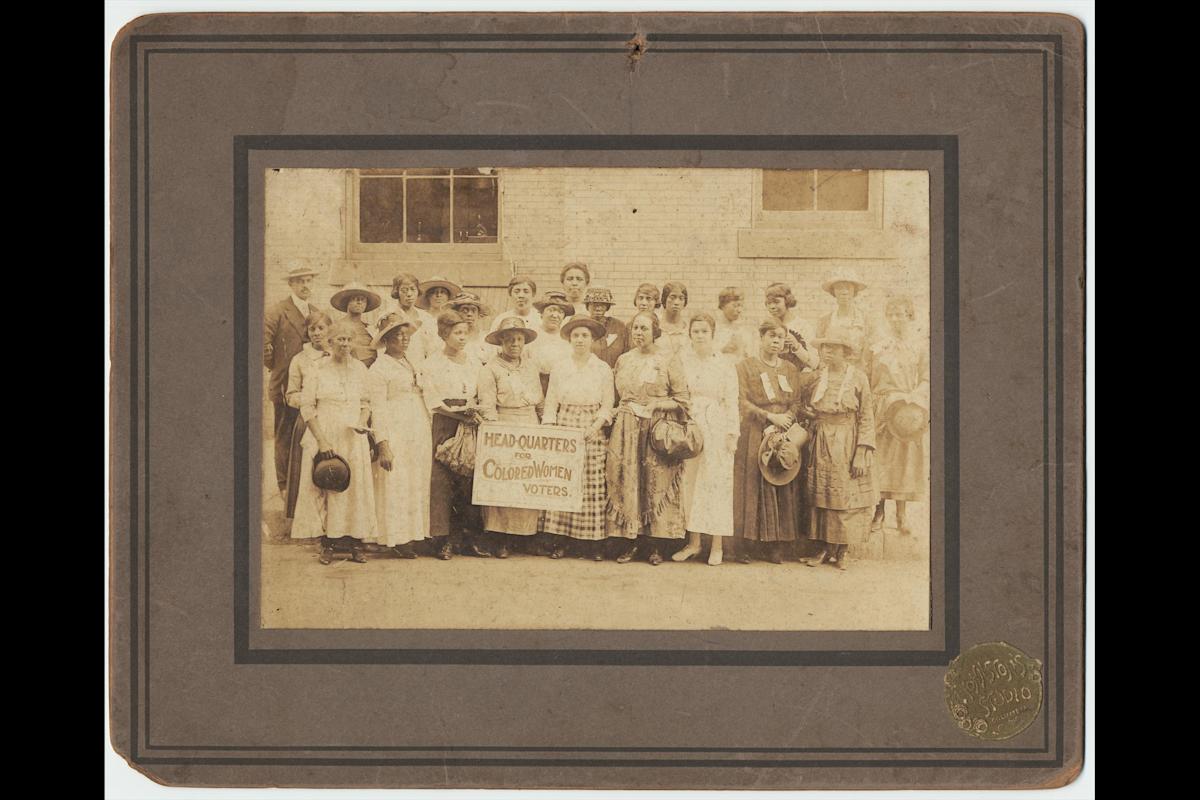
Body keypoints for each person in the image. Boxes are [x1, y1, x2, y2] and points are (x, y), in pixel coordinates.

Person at [606, 310, 691, 565]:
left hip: (657, 430)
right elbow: (614, 397)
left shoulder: (668, 360)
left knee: (655, 484)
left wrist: (656, 405)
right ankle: (631, 542)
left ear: (655, 332)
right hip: (626, 429)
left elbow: (683, 401)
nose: (638, 333)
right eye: (635, 329)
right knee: (629, 483)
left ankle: (656, 546)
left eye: (644, 329)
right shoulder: (623, 360)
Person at [291, 320, 377, 564]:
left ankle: (355, 543)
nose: (345, 345)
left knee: (355, 488)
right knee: (328, 485)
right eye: (340, 339)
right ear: (330, 342)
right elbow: (307, 408)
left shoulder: (360, 369)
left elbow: (365, 402)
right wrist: (322, 440)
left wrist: (362, 421)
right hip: (326, 432)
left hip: (353, 434)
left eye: (349, 340)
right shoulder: (317, 369)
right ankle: (327, 543)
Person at [732, 320, 815, 564]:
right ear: (761, 338)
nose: (776, 341)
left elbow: (797, 401)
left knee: (781, 482)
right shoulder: (745, 367)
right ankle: (747, 544)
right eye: (771, 336)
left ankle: (775, 546)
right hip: (756, 430)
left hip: (785, 430)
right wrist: (769, 416)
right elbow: (742, 401)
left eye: (780, 337)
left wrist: (787, 418)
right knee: (753, 485)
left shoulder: (790, 369)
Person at [540, 316, 615, 560]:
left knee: (592, 481)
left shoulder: (602, 368)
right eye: (576, 336)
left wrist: (597, 425)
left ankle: (592, 543)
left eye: (585, 336)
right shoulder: (561, 366)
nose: (580, 340)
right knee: (565, 481)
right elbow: (551, 400)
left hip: (591, 424)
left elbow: (608, 402)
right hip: (565, 422)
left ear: (593, 340)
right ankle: (561, 540)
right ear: (570, 340)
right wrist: (551, 427)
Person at [804, 333, 878, 571]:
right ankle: (823, 548)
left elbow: (866, 415)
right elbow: (804, 406)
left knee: (845, 495)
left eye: (834, 348)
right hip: (821, 437)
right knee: (822, 494)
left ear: (846, 353)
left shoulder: (858, 378)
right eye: (825, 347)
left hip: (847, 439)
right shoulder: (817, 377)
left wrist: (862, 451)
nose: (828, 352)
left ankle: (843, 550)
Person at [420, 311, 490, 560]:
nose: (462, 338)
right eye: (456, 333)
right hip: (446, 423)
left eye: (465, 333)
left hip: (470, 421)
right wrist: (459, 415)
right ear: (444, 335)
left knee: (469, 480)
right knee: (442, 481)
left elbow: (480, 391)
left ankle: (468, 539)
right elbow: (434, 401)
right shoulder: (432, 363)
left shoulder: (473, 361)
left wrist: (474, 412)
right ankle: (442, 540)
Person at [673, 313, 740, 565]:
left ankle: (717, 546)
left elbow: (731, 401)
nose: (700, 336)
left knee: (715, 485)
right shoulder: (684, 362)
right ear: (689, 335)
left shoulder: (724, 364)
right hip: (690, 426)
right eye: (695, 331)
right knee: (690, 483)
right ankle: (693, 543)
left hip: (716, 427)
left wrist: (732, 434)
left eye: (704, 331)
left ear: (712, 334)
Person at [477, 317, 545, 558]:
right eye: (509, 339)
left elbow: (539, 401)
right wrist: (496, 432)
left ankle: (525, 537)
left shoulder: (530, 366)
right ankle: (501, 538)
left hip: (529, 425)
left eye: (519, 339)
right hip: (504, 426)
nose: (515, 344)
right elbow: (487, 405)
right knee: (503, 481)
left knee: (528, 479)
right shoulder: (490, 369)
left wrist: (545, 423)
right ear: (500, 342)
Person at [367, 313, 431, 558]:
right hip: (397, 429)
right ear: (386, 340)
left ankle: (416, 534)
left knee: (416, 481)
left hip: (417, 427)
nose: (404, 340)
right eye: (398, 336)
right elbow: (378, 409)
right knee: (398, 482)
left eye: (406, 335)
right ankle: (397, 538)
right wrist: (383, 444)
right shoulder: (379, 368)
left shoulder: (409, 362)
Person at [868, 296, 929, 537]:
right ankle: (878, 512)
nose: (895, 319)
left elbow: (926, 377)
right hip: (882, 409)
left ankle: (901, 514)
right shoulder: (878, 346)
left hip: (906, 411)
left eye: (900, 314)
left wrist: (914, 399)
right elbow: (868, 376)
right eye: (891, 314)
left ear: (909, 316)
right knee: (881, 460)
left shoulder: (918, 347)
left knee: (904, 461)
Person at [264, 263, 319, 494]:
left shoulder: (314, 311)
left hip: (313, 386)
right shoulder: (277, 311)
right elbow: (264, 348)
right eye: (300, 281)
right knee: (285, 435)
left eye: (308, 281)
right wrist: (281, 370)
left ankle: (305, 486)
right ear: (291, 285)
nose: (305, 286)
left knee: (308, 434)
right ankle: (285, 487)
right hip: (287, 384)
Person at [283, 310, 331, 521]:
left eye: (321, 328)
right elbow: (291, 395)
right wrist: (309, 398)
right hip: (309, 419)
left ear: (330, 329)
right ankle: (312, 523)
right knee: (311, 474)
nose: (317, 333)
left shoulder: (337, 354)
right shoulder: (300, 359)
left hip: (335, 416)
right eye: (312, 329)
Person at [815, 270, 875, 371]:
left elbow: (871, 352)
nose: (844, 292)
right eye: (839, 288)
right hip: (833, 372)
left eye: (848, 288)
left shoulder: (866, 320)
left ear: (854, 291)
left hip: (859, 372)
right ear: (833, 291)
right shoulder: (825, 320)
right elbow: (820, 350)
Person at [380, 273, 438, 364]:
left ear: (418, 291)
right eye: (404, 290)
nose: (409, 294)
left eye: (412, 289)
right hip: (397, 366)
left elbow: (432, 347)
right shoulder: (388, 316)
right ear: (397, 292)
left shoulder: (425, 317)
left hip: (422, 366)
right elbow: (381, 348)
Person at [529, 291, 575, 395]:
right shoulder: (531, 336)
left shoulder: (567, 339)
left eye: (560, 312)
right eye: (551, 310)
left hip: (560, 388)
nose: (555, 315)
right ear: (541, 313)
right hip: (533, 386)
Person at [764, 283, 819, 370]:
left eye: (776, 302)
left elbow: (815, 363)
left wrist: (796, 346)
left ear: (787, 301)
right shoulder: (765, 327)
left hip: (798, 378)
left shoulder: (803, 326)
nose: (772, 307)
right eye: (769, 303)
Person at [330, 281, 382, 368]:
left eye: (363, 300)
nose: (359, 302)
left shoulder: (369, 328)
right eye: (355, 299)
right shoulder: (338, 326)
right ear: (347, 302)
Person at [582, 287, 628, 369]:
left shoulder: (618, 326)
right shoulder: (581, 325)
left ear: (607, 306)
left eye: (602, 304)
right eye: (594, 304)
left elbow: (625, 352)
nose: (598, 308)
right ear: (587, 306)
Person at [447, 291, 494, 365]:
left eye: (473, 310)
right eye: (464, 310)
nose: (469, 314)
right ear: (456, 314)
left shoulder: (486, 339)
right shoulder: (449, 338)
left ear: (479, 315)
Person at [713, 286, 752, 363]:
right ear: (723, 305)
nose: (739, 310)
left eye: (741, 306)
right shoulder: (713, 330)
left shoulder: (743, 331)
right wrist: (723, 350)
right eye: (735, 305)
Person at [657, 281, 690, 358]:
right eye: (672, 297)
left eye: (681, 298)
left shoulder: (687, 328)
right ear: (664, 299)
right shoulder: (655, 325)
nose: (676, 302)